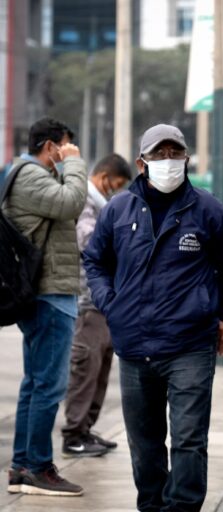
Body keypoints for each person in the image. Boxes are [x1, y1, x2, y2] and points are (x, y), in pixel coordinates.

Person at [83, 124, 223, 511]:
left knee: (189, 439)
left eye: (175, 153)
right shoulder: (118, 210)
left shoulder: (209, 210)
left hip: (189, 344)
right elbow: (95, 259)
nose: (168, 162)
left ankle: (183, 507)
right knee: (144, 443)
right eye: (159, 155)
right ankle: (152, 506)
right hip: (135, 346)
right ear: (142, 163)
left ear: (187, 159)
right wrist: (110, 303)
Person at [3, 117, 87, 496]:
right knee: (49, 386)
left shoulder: (27, 175)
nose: (70, 151)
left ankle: (22, 466)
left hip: (47, 292)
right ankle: (37, 466)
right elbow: (73, 203)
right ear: (50, 146)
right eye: (65, 145)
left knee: (35, 384)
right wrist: (74, 163)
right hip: (50, 292)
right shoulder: (32, 176)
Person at [61, 154, 132, 458]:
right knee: (85, 371)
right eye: (115, 185)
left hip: (105, 305)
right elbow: (89, 242)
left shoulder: (102, 205)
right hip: (88, 303)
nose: (115, 191)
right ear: (104, 178)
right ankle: (73, 434)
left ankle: (86, 430)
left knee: (100, 372)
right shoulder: (86, 203)